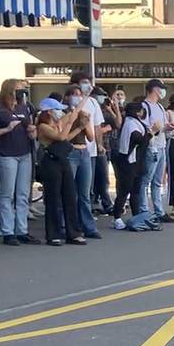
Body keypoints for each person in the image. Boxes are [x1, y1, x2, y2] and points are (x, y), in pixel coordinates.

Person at [0, 79, 37, 246]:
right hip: (6, 154)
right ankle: (8, 231)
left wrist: (32, 132)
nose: (22, 92)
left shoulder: (24, 107)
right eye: (19, 89)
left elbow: (30, 130)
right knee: (7, 194)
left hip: (24, 153)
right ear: (10, 91)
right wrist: (6, 130)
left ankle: (22, 230)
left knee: (22, 194)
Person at [34, 97, 87, 246]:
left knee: (70, 196)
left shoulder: (58, 124)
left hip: (63, 160)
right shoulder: (43, 126)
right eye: (57, 109)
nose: (60, 112)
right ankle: (53, 234)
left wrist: (79, 127)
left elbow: (66, 136)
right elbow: (60, 136)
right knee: (53, 199)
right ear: (49, 111)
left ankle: (73, 233)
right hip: (50, 161)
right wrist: (69, 122)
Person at [66, 72, 105, 239]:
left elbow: (94, 130)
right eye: (74, 93)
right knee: (69, 193)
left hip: (87, 152)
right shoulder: (62, 110)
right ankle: (70, 226)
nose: (79, 95)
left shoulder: (92, 103)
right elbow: (63, 134)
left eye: (79, 94)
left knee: (85, 193)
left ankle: (88, 226)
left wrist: (99, 144)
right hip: (69, 152)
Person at [111, 100, 158, 231]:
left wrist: (153, 132)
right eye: (141, 110)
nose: (143, 112)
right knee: (124, 190)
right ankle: (117, 217)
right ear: (137, 111)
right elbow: (141, 140)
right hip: (127, 162)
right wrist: (151, 132)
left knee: (135, 191)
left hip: (137, 161)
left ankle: (136, 216)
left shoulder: (137, 122)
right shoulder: (130, 124)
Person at [139, 79, 173, 224]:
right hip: (150, 148)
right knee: (146, 180)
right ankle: (144, 210)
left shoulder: (159, 106)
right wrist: (157, 130)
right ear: (154, 89)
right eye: (161, 88)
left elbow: (161, 127)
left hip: (161, 146)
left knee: (158, 181)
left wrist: (167, 127)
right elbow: (145, 128)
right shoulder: (144, 106)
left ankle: (159, 211)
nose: (162, 92)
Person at [92, 87, 117, 214]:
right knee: (95, 179)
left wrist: (113, 108)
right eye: (99, 96)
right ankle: (99, 202)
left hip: (105, 147)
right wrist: (103, 129)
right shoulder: (90, 108)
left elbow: (117, 123)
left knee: (103, 177)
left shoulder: (104, 111)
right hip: (92, 148)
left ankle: (105, 202)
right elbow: (93, 129)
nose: (102, 98)